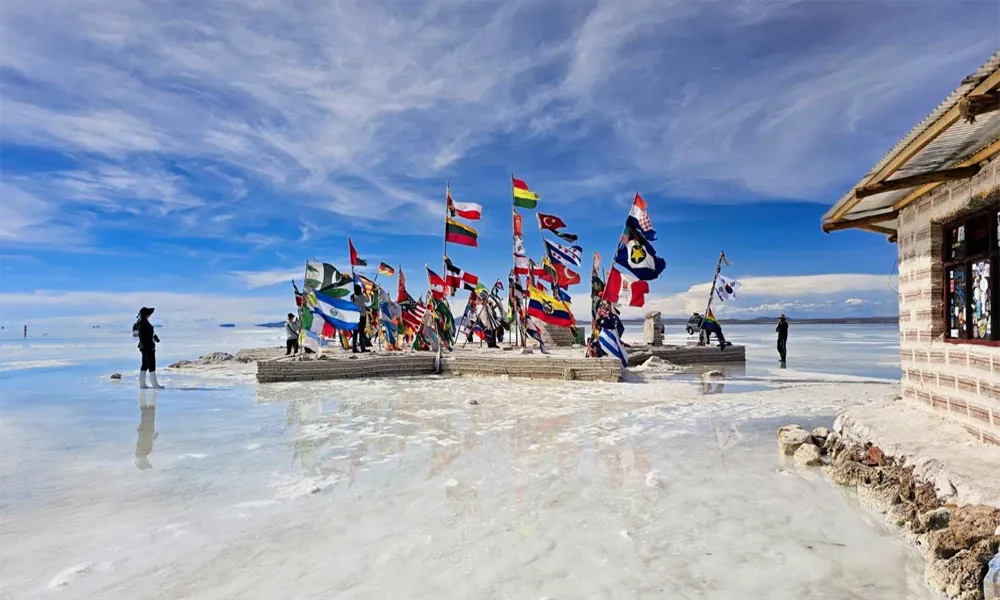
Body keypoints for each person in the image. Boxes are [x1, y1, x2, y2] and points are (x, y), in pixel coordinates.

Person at [136, 307, 164, 389]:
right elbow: (147, 336)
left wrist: (155, 338)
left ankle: (142, 384)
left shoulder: (141, 322)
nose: (150, 315)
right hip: (147, 347)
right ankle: (155, 384)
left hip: (144, 347)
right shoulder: (144, 323)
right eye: (149, 314)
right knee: (151, 365)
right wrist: (151, 346)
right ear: (146, 315)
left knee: (144, 365)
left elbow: (150, 334)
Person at [135, 389, 158, 469]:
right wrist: (154, 436)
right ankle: (150, 392)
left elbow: (143, 441)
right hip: (148, 429)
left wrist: (153, 436)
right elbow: (149, 441)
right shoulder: (145, 453)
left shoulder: (141, 453)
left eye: (147, 462)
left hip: (146, 429)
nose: (148, 461)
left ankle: (145, 392)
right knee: (148, 409)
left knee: (146, 410)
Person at [351, 285, 370, 353]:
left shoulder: (352, 297)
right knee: (361, 333)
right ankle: (362, 348)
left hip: (354, 317)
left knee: (355, 333)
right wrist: (365, 293)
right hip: (362, 316)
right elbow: (368, 300)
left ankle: (354, 348)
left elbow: (354, 303)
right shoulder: (363, 296)